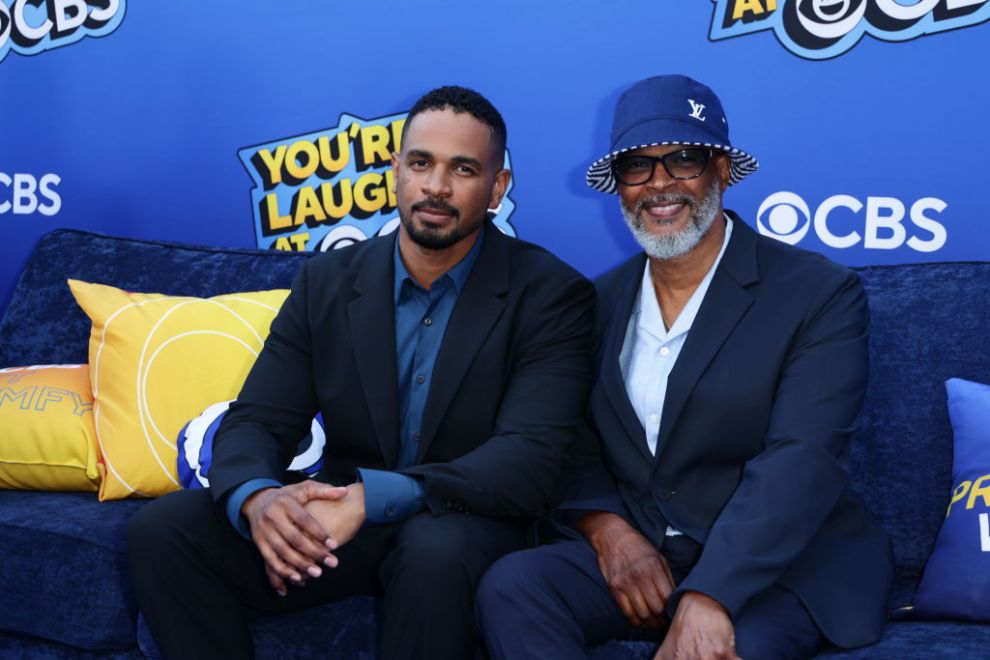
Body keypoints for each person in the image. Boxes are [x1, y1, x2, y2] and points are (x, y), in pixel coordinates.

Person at [127, 85, 594, 660]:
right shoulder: (326, 281)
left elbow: (529, 459)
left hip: (468, 519)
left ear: (497, 187)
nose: (436, 187)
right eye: (420, 163)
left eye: (464, 169)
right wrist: (258, 500)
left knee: (433, 553)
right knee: (164, 530)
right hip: (345, 520)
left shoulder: (551, 295)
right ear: (395, 170)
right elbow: (258, 420)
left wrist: (373, 498)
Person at [476, 74, 892, 659]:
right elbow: (569, 441)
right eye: (637, 167)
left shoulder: (818, 293)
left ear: (722, 170)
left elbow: (804, 459)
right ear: (618, 187)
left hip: (781, 568)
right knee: (515, 587)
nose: (660, 184)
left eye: (684, 160)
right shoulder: (593, 304)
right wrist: (608, 530)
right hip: (648, 556)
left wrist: (711, 594)